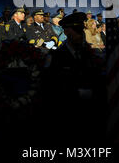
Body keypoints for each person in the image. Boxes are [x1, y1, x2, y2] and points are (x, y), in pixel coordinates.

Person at [41, 12, 105, 142]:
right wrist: (76, 93)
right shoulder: (56, 56)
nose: (80, 34)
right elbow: (51, 87)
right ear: (67, 32)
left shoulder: (87, 53)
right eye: (76, 30)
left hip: (87, 111)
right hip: (66, 112)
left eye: (81, 30)